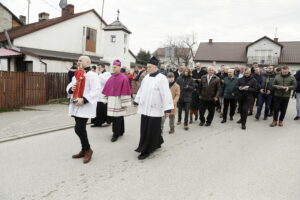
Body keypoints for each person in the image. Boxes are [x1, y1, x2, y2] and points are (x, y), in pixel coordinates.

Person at [134, 56, 174, 160]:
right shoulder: (146, 77)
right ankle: (158, 142)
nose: (148, 69)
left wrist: (167, 108)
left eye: (150, 67)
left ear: (156, 67)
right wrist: (136, 100)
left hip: (155, 109)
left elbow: (166, 94)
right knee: (145, 128)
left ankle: (146, 150)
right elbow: (141, 90)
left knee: (151, 129)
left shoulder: (162, 78)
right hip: (145, 108)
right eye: (147, 67)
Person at [67, 56, 101, 164]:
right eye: (77, 60)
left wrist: (84, 100)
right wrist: (70, 89)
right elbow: (70, 86)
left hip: (85, 105)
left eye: (80, 60)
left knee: (79, 128)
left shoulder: (93, 75)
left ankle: (88, 150)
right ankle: (84, 149)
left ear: (87, 62)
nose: (78, 62)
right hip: (75, 103)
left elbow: (96, 90)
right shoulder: (77, 74)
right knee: (80, 129)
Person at [102, 60, 132, 142]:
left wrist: (124, 102)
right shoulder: (111, 77)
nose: (113, 69)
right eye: (113, 67)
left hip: (119, 100)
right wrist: (105, 99)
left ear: (119, 67)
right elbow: (106, 89)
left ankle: (115, 134)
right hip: (112, 100)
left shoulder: (124, 78)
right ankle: (121, 131)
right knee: (118, 117)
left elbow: (126, 90)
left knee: (117, 117)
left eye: (115, 67)